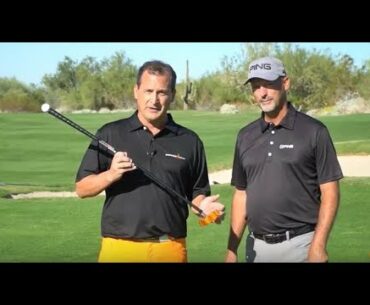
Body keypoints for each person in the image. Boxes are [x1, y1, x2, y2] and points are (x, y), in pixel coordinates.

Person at [75, 60, 225, 263]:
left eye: (162, 92)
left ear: (172, 95)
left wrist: (205, 208)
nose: (154, 100)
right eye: (148, 91)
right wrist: (111, 174)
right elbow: (82, 188)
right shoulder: (110, 133)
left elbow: (197, 195)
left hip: (170, 248)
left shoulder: (190, 141)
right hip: (119, 249)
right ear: (136, 91)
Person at [225, 57, 343, 262]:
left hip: (301, 246)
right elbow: (241, 195)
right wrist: (231, 250)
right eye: (256, 87)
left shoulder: (314, 131)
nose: (262, 93)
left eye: (269, 85)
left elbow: (330, 191)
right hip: (256, 249)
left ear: (285, 83)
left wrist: (319, 244)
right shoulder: (245, 136)